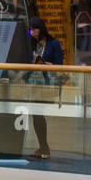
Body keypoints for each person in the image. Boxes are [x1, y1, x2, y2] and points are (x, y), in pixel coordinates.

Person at [27, 17, 64, 160]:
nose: (32, 32)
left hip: (48, 83)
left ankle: (44, 147)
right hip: (34, 84)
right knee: (36, 113)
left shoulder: (53, 43)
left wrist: (46, 64)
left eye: (34, 29)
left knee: (38, 113)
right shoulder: (31, 44)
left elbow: (59, 65)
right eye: (30, 30)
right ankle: (43, 146)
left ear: (41, 29)